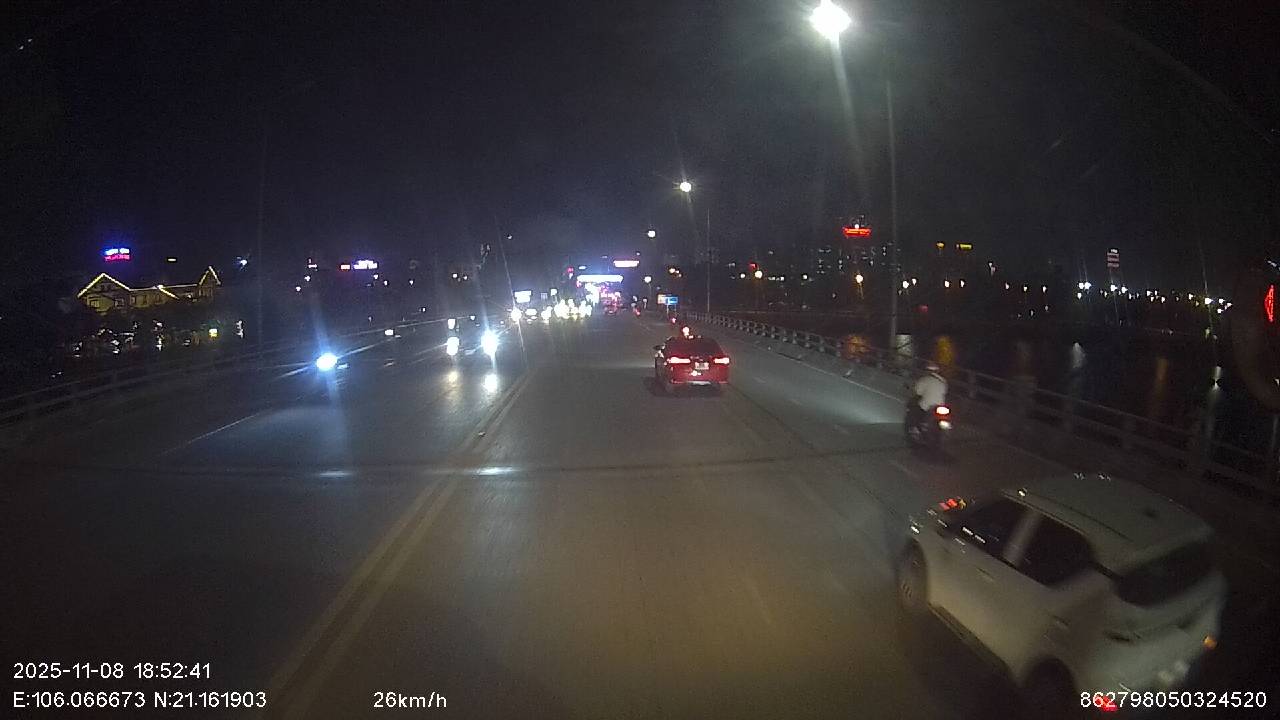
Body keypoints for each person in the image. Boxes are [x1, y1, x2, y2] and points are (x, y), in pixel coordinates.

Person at [908, 362, 948, 430]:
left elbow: (918, 392)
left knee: (915, 409)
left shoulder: (924, 379)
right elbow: (945, 392)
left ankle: (915, 428)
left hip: (926, 405)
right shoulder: (943, 380)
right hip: (940, 406)